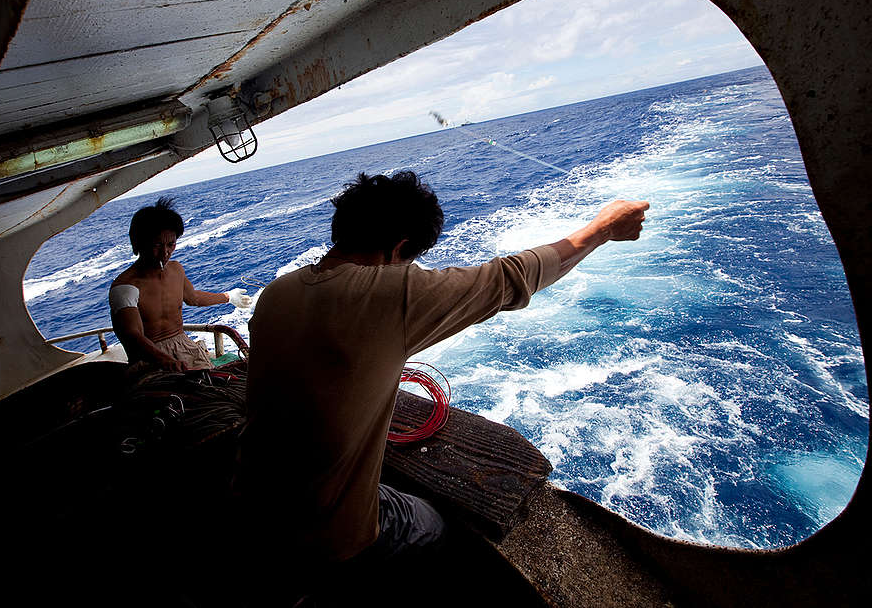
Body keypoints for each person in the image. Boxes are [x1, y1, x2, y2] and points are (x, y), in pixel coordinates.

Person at [236, 171, 648, 602]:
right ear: (399, 249)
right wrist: (602, 229)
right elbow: (513, 277)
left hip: (249, 502)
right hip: (323, 538)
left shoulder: (277, 293)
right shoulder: (389, 294)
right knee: (433, 524)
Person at [109, 197, 253, 372]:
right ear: (139, 243)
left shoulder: (176, 270)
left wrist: (228, 297)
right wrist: (165, 360)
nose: (165, 252)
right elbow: (133, 336)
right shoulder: (125, 287)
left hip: (184, 346)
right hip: (149, 359)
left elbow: (193, 298)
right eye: (157, 245)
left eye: (171, 244)